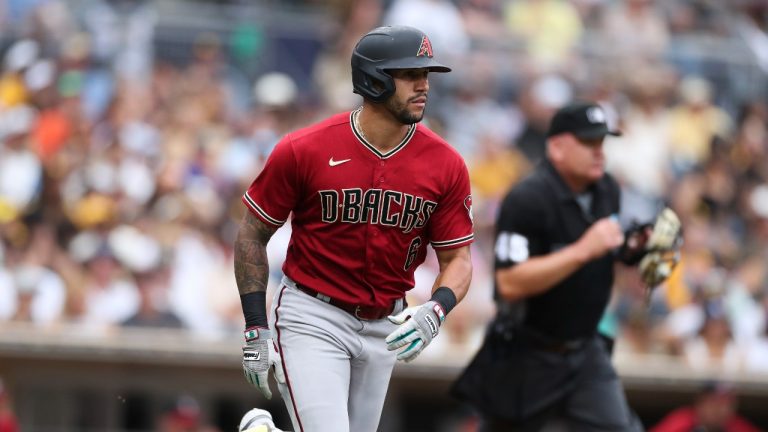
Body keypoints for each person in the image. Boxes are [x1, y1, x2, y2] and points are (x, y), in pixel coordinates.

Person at [234, 25, 474, 432]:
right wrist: (256, 326)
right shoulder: (305, 148)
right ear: (374, 79)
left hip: (387, 325)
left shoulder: (446, 164)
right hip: (313, 314)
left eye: (426, 75)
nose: (424, 85)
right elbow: (252, 235)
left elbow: (458, 259)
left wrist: (437, 308)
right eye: (410, 74)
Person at [452, 101, 649, 431]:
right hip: (528, 351)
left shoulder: (607, 189)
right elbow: (509, 283)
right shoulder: (527, 198)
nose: (599, 151)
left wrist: (633, 250)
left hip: (585, 349)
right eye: (588, 141)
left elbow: (603, 253)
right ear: (557, 147)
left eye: (602, 141)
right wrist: (582, 250)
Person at [650, 381, 761, 432]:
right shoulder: (682, 421)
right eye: (714, 402)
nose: (719, 410)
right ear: (700, 404)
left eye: (726, 404)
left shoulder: (737, 426)